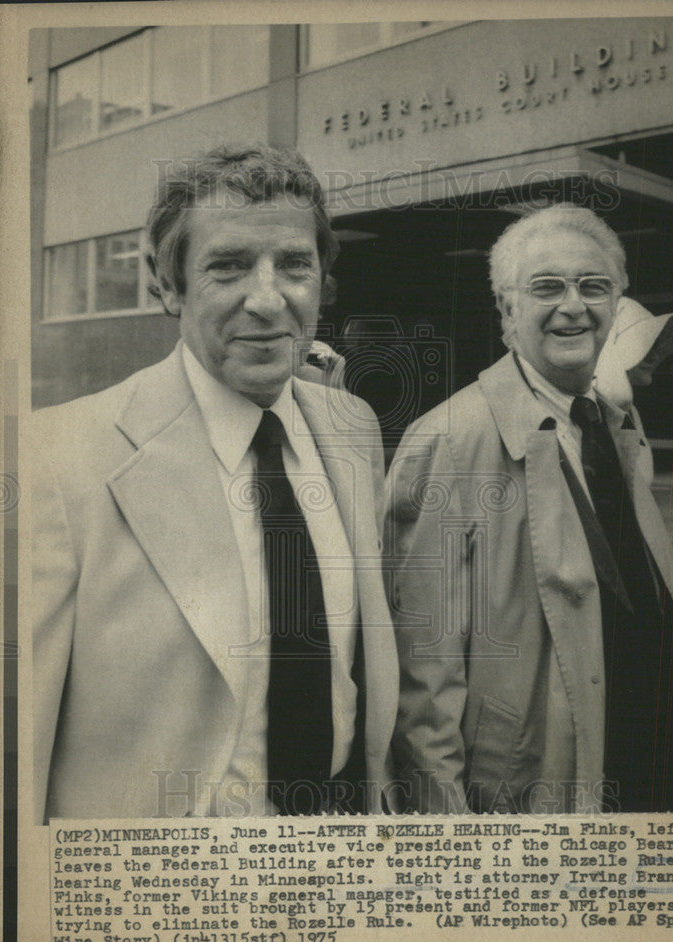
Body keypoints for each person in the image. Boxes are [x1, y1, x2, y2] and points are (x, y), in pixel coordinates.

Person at [32, 145, 398, 820]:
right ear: (166, 283)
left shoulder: (352, 428)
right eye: (227, 266)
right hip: (158, 894)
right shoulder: (54, 459)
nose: (268, 300)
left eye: (293, 264)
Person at [385, 203, 673, 817]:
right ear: (506, 312)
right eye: (547, 287)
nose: (574, 305)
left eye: (594, 286)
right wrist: (447, 842)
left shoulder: (610, 422)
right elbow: (422, 681)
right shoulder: (450, 440)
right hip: (534, 796)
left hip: (645, 767)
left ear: (615, 303)